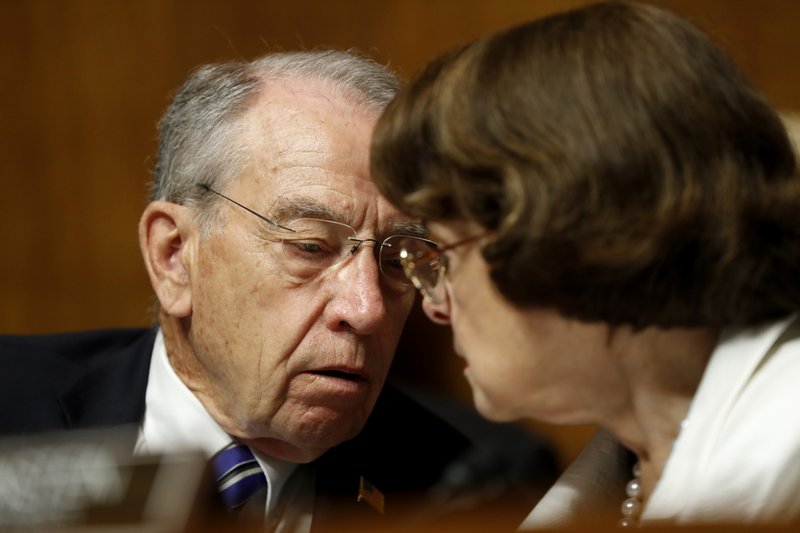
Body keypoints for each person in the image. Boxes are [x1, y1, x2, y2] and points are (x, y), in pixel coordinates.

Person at [0, 50, 556, 531]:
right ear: (174, 256)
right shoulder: (12, 410)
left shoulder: (469, 483)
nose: (366, 309)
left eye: (396, 261)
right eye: (310, 247)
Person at [370, 0, 800, 528]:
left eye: (444, 259)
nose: (433, 307)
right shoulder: (632, 462)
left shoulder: (786, 453)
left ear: (567, 239)